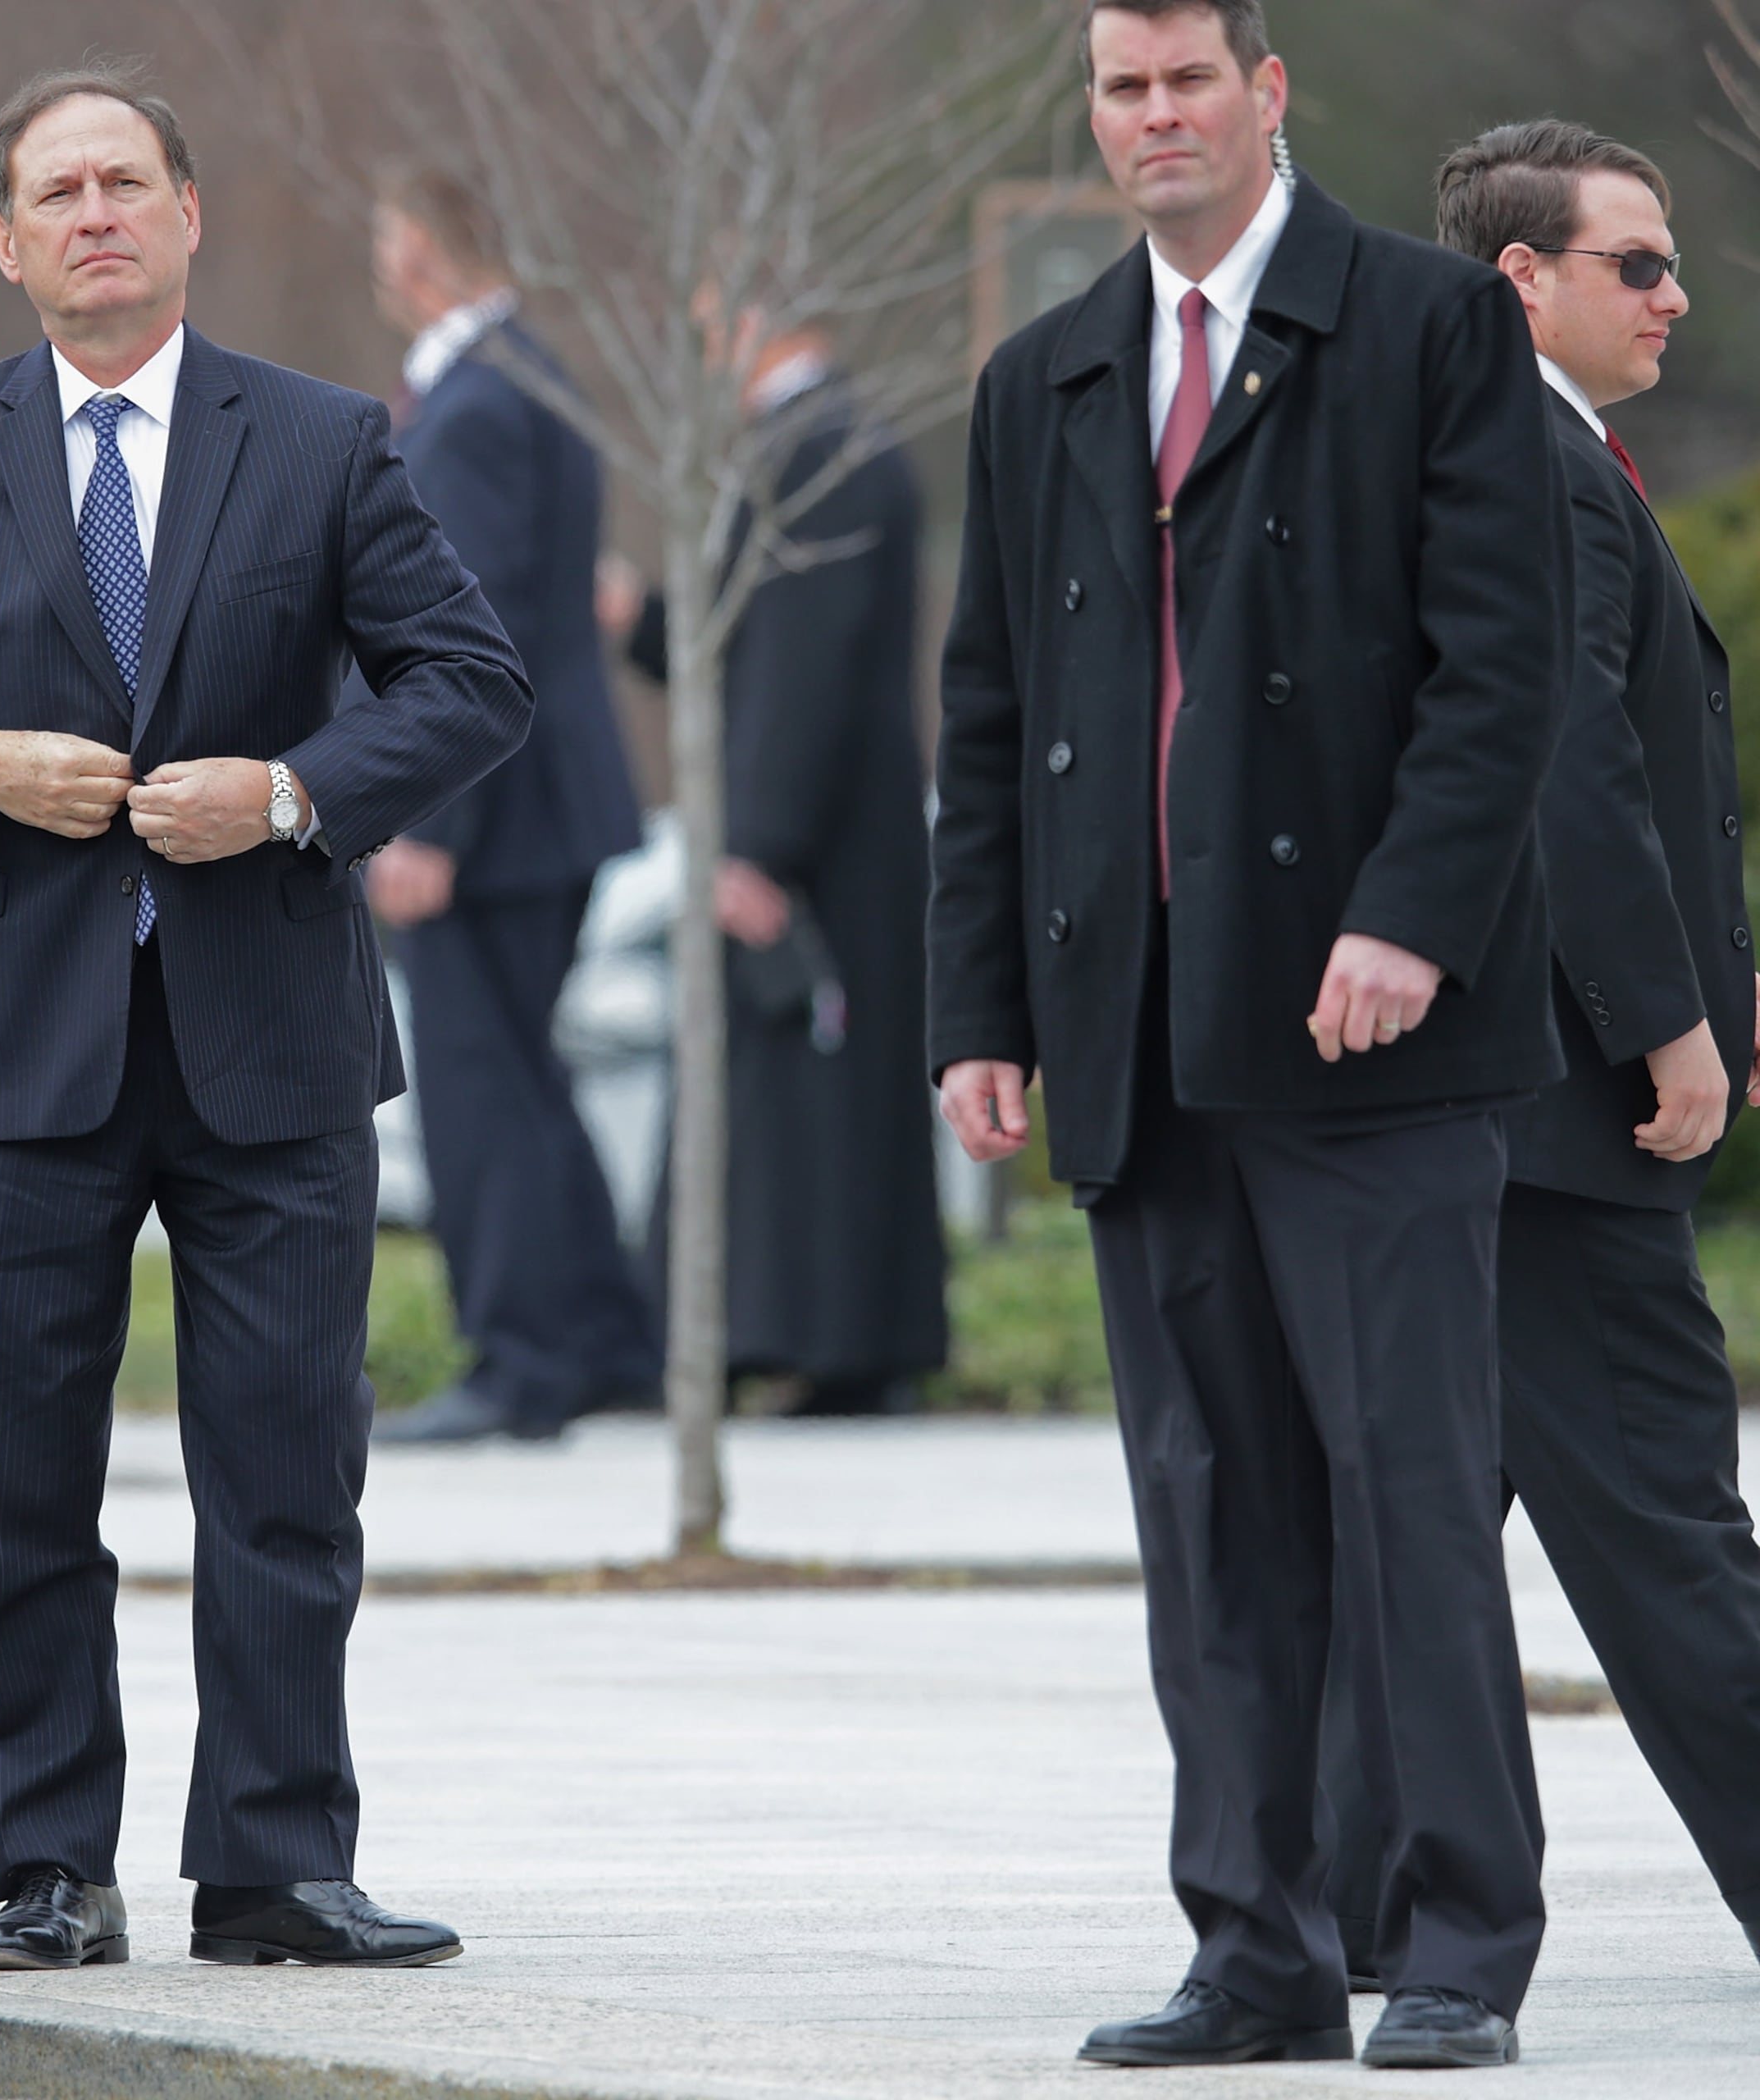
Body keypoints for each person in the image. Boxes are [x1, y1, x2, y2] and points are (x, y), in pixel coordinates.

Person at [0, 62, 530, 1974]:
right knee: (8, 1485)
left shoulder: (324, 440)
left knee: (284, 1480)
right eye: (55, 192)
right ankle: (44, 1867)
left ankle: (275, 1865)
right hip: (16, 1054)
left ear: (188, 216)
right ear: (7, 246)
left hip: (274, 1043)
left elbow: (471, 677)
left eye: (127, 182)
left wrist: (299, 792)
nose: (96, 213)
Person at [928, 0, 1568, 2070]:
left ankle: (1454, 1941)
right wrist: (982, 1008)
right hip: (1138, 1033)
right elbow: (990, 724)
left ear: (1265, 94)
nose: (1157, 117)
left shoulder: (1431, 324)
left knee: (1406, 1494)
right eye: (1123, 88)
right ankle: (1257, 1946)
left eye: (1190, 79)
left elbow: (1505, 671)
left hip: (1371, 1029)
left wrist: (1408, 918)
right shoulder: (1044, 377)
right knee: (1210, 1519)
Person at [1315, 119, 1760, 1977]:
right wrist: (1666, 1025)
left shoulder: (1481, 462)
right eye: (1634, 262)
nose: (1675, 293)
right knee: (1668, 1520)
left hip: (1471, 1116)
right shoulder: (1542, 480)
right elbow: (1568, 780)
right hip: (1559, 1120)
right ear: (1524, 278)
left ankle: (1320, 1908)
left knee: (1412, 1542)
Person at [355, 168, 661, 1446]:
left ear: (422, 250)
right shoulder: (520, 375)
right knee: (520, 1074)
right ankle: (600, 1341)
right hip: (546, 807)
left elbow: (463, 635)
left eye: (387, 237)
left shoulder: (478, 405)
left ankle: (525, 1361)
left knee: (482, 1087)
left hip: (494, 819)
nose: (380, 262)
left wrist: (426, 820)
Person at [606, 329, 949, 1416]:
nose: (702, 339)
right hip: (822, 836)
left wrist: (759, 846)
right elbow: (748, 654)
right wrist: (648, 626)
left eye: (716, 312)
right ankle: (814, 1341)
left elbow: (806, 666)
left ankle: (825, 1346)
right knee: (799, 1101)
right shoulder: (798, 448)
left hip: (824, 850)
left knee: (812, 1100)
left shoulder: (822, 453)